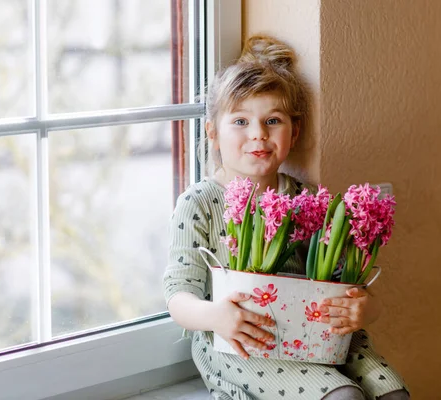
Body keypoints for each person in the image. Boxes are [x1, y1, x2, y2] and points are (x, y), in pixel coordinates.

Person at [164, 34, 409, 400]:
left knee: (391, 393)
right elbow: (178, 296)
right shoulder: (199, 202)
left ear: (293, 133)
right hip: (241, 340)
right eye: (241, 122)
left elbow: (346, 283)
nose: (258, 135)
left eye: (273, 120)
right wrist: (216, 317)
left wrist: (366, 308)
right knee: (344, 397)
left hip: (316, 331)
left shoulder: (304, 198)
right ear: (213, 133)